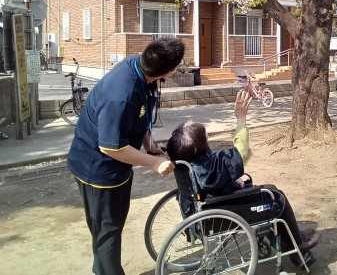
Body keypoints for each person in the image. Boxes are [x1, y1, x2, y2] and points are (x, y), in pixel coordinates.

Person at [67, 37, 185, 275]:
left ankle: (101, 269)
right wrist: (154, 162)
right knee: (107, 231)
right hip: (97, 168)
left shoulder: (141, 69)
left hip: (118, 167)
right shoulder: (122, 94)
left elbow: (139, 116)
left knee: (113, 224)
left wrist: (148, 143)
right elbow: (110, 147)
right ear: (168, 72)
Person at [166, 89, 321, 260]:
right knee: (276, 195)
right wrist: (241, 119)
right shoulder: (211, 165)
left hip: (206, 205)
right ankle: (296, 244)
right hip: (225, 207)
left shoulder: (185, 161)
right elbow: (242, 151)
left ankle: (285, 239)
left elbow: (217, 180)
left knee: (267, 189)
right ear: (199, 146)